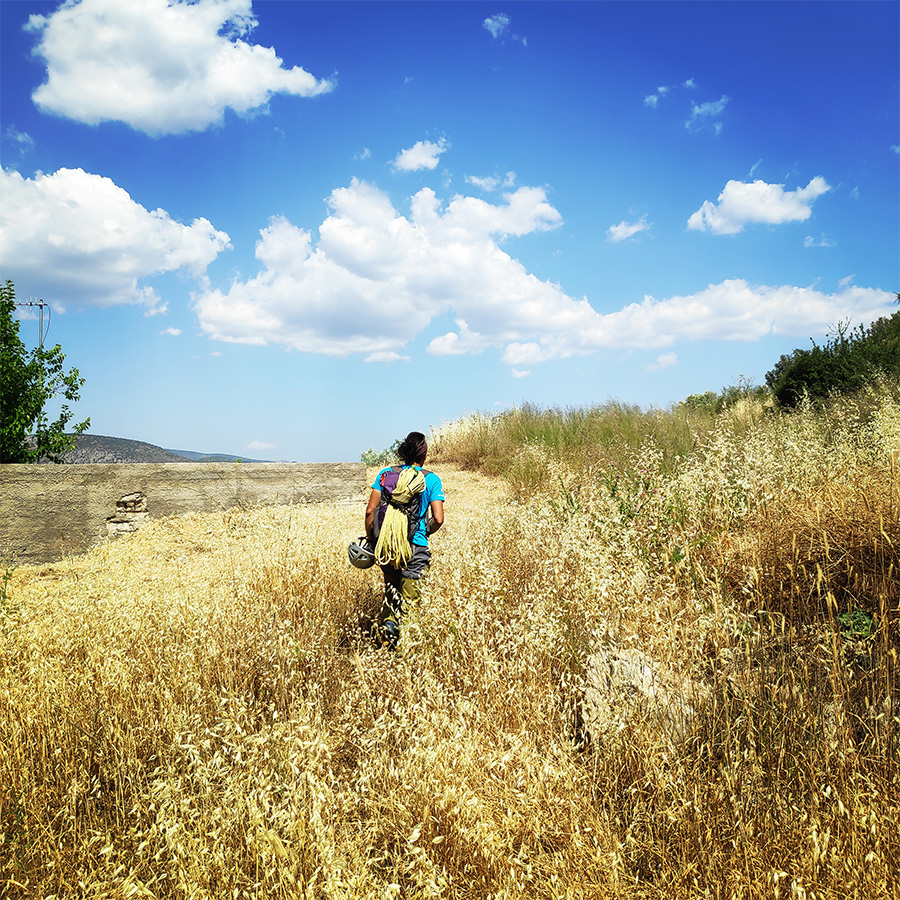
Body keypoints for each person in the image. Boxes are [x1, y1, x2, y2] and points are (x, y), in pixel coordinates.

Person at [365, 431, 444, 648]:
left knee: (391, 594)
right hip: (415, 546)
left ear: (403, 451)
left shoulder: (385, 474)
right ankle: (406, 654)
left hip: (388, 545)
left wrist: (373, 540)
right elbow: (438, 518)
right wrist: (424, 532)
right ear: (424, 454)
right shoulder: (431, 479)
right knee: (411, 602)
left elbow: (370, 511)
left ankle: (387, 642)